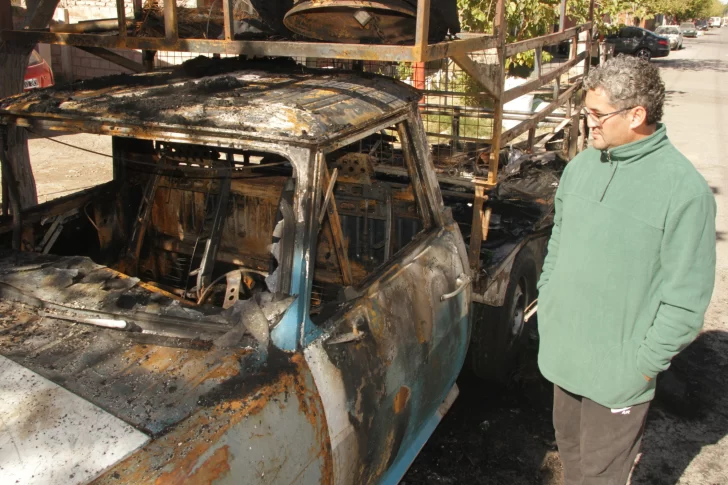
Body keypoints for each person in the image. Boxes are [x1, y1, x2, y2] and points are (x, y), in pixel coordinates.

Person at [537, 55, 716, 485]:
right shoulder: (582, 167)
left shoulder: (684, 191)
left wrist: (643, 363)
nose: (589, 122)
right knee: (572, 462)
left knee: (601, 476)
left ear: (637, 115)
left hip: (619, 375)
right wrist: (549, 298)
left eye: (597, 114)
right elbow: (559, 238)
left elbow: (686, 299)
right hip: (564, 359)